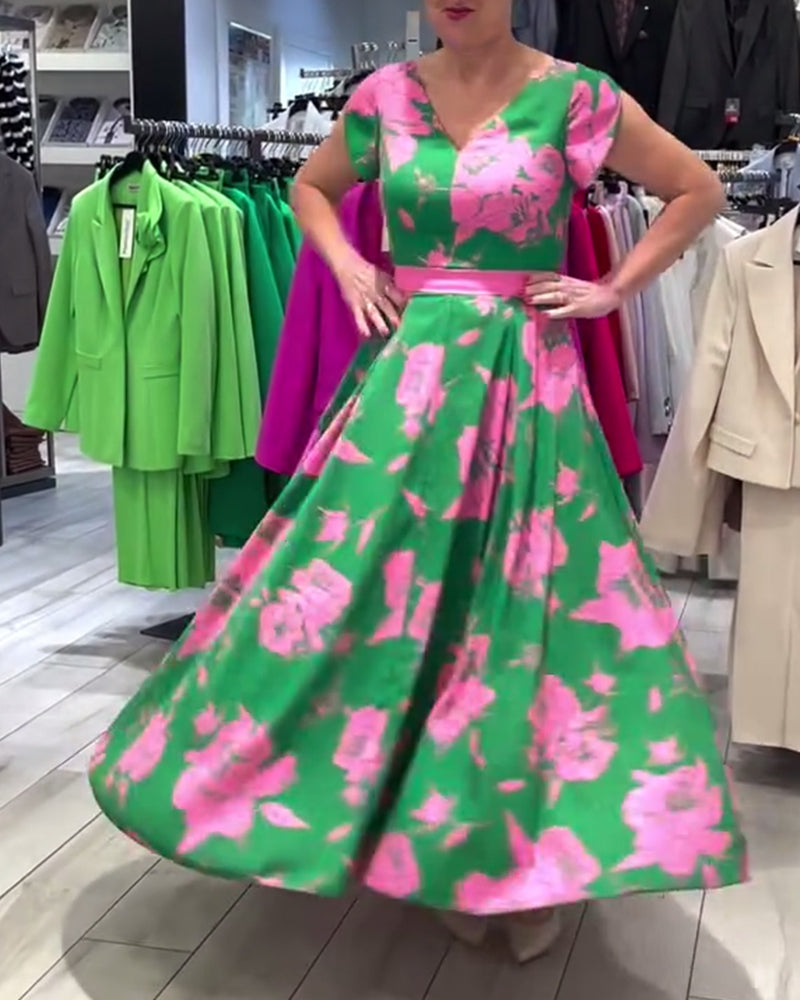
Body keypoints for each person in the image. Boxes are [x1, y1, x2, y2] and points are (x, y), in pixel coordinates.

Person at [89, 0, 747, 965]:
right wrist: (352, 266)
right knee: (365, 592)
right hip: (409, 380)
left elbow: (697, 188)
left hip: (525, 381)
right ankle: (376, 813)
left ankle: (503, 848)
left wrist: (615, 287)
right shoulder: (383, 97)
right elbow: (312, 188)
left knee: (518, 610)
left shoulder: (577, 97)